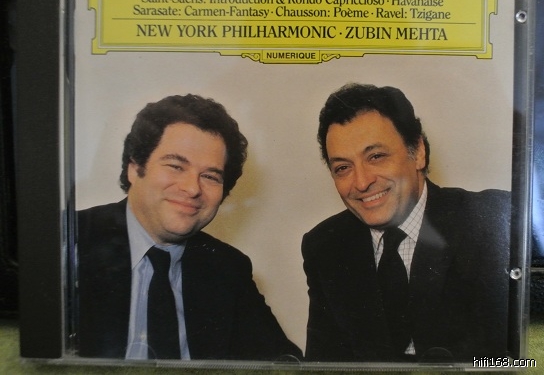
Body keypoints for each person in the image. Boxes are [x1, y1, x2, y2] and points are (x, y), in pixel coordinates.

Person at [77, 94, 301, 361]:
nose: (192, 188)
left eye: (210, 176)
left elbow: (283, 361)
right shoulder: (69, 239)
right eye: (176, 166)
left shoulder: (227, 268)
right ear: (135, 169)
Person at [302, 83, 511, 363]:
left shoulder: (493, 219)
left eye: (376, 156)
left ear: (418, 152)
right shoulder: (325, 246)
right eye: (343, 168)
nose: (361, 182)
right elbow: (324, 364)